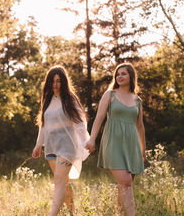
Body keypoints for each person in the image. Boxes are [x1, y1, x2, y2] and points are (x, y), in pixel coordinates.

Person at [85, 63, 146, 216]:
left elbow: (140, 126)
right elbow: (98, 119)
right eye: (117, 74)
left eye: (123, 74)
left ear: (131, 77)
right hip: (113, 142)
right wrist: (92, 139)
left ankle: (118, 213)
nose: (119, 76)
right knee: (126, 182)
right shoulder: (110, 95)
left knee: (123, 185)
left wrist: (142, 149)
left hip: (132, 145)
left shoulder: (137, 100)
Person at [32, 65, 90, 216]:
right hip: (51, 147)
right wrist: (39, 144)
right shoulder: (47, 100)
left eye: (58, 81)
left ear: (63, 82)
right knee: (63, 182)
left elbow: (80, 123)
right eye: (52, 81)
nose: (55, 84)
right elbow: (43, 125)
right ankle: (72, 212)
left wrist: (87, 142)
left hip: (67, 147)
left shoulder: (70, 99)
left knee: (58, 181)